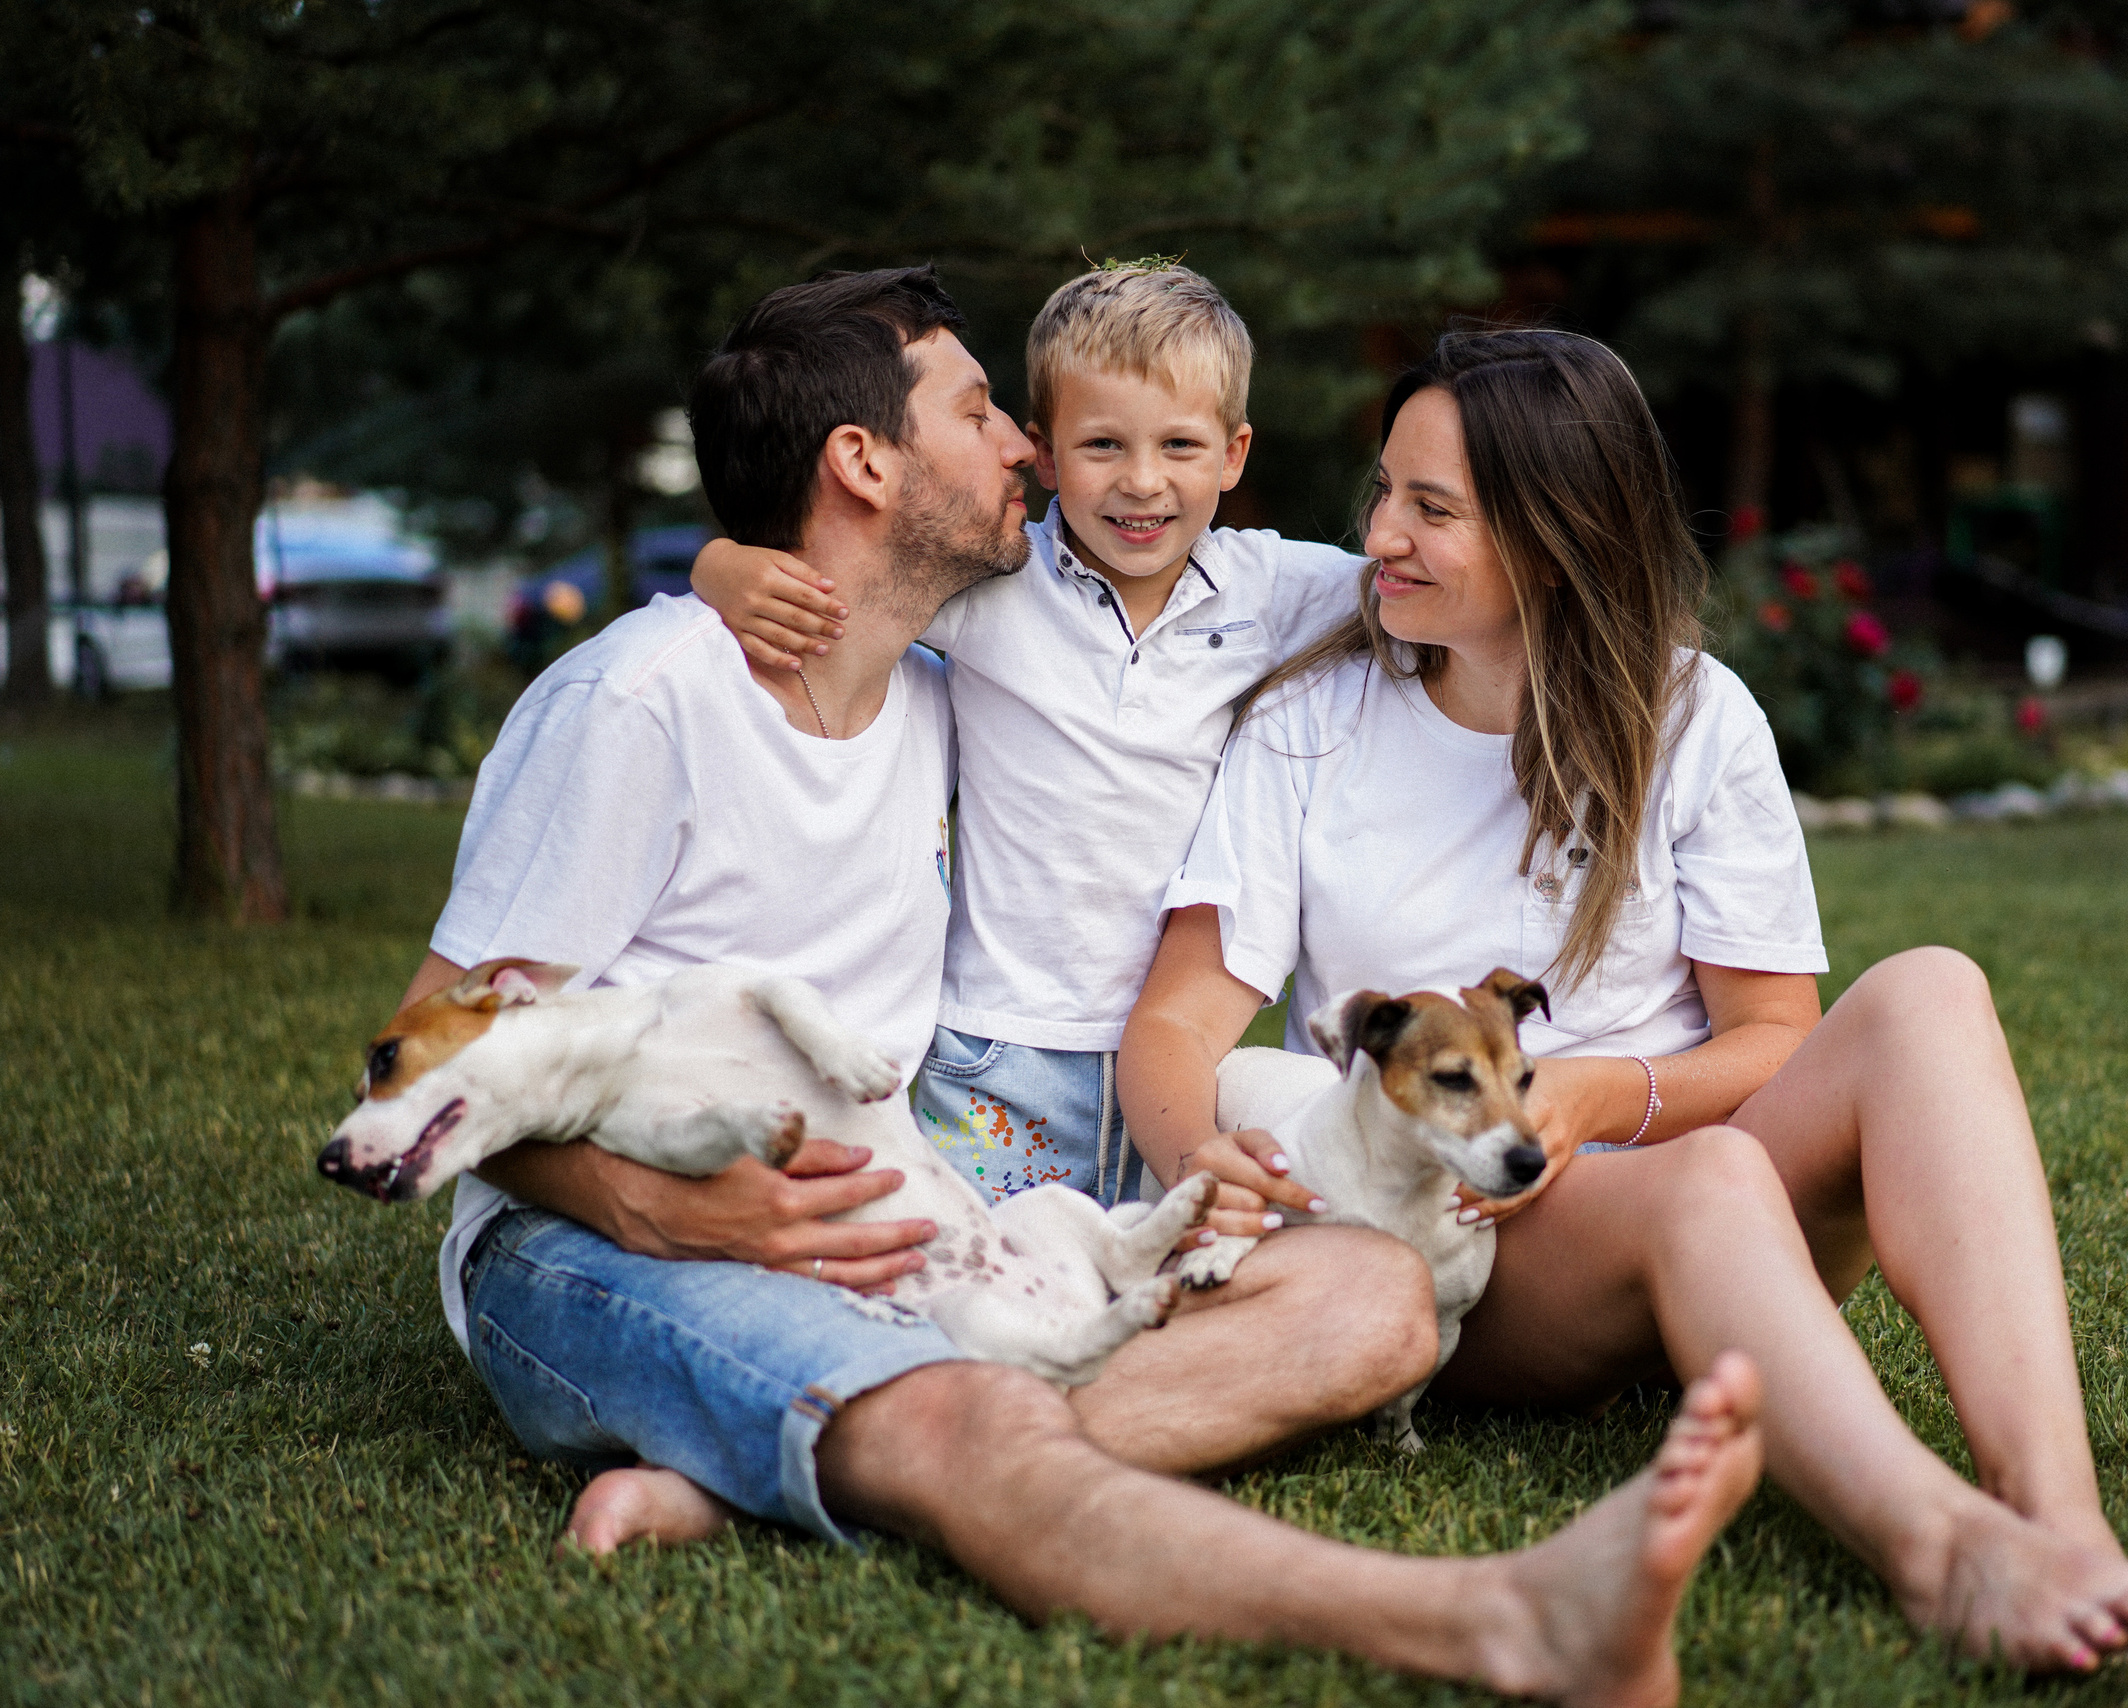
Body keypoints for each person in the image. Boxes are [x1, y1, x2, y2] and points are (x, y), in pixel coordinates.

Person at [398, 267, 1770, 1708]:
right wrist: (659, 1205)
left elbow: (1416, 585)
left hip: (905, 1179)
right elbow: (428, 1064)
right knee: (974, 1413)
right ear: (864, 461)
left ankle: (773, 1470)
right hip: (628, 1231)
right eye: (991, 411)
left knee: (1377, 1305)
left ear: (1230, 461)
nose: (1027, 453)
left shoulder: (921, 687)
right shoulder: (649, 700)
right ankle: (1497, 1619)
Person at [1114, 325, 2128, 1675]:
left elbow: (1778, 1036)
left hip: (1677, 1170)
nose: (1380, 537)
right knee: (1709, 1181)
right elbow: (1181, 1021)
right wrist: (1203, 1165)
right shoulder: (1317, 721)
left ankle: (2063, 1519)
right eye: (1384, 491)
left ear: (1554, 534)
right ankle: (1948, 1556)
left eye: (1432, 508)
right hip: (1471, 1235)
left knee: (1930, 994)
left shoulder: (1694, 715)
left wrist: (1601, 1096)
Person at [691, 260, 1360, 1212]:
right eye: (1102, 446)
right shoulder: (997, 588)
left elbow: (1411, 591)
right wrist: (721, 566)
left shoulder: (1274, 591)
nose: (1142, 482)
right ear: (1044, 454)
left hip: (1189, 1052)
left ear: (1234, 453)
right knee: (990, 1275)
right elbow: (832, 573)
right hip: (1002, 1046)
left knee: (1156, 1280)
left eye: (1179, 445)